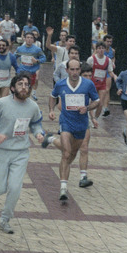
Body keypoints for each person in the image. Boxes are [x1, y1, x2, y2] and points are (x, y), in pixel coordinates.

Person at [0, 72, 45, 234]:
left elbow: (36, 123)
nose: (24, 87)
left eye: (27, 85)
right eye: (20, 84)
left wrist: (39, 133)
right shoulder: (2, 104)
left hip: (21, 152)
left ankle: (5, 219)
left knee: (15, 187)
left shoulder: (33, 107)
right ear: (12, 88)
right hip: (1, 151)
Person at [45, 58, 100, 199]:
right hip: (66, 122)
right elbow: (52, 96)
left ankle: (51, 139)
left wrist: (87, 108)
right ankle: (63, 188)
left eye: (77, 69)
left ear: (80, 70)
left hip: (81, 125)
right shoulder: (61, 84)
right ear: (67, 70)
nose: (74, 72)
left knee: (73, 153)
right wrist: (51, 110)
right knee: (66, 153)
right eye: (72, 69)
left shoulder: (88, 84)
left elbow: (97, 101)